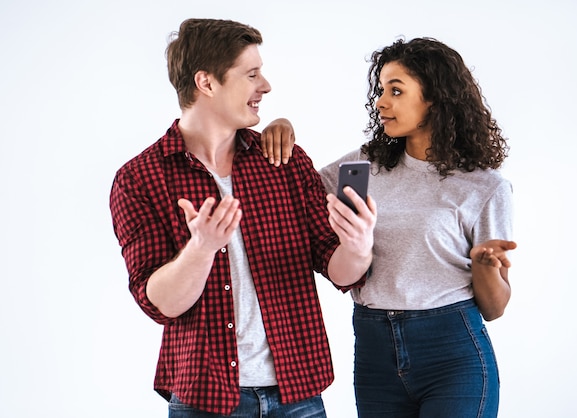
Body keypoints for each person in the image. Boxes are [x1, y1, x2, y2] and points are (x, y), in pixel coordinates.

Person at [109, 18, 376, 417]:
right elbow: (158, 302)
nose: (265, 86)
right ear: (207, 83)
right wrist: (200, 251)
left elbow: (341, 271)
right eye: (251, 74)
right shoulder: (139, 179)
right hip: (206, 398)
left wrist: (358, 245)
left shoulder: (283, 161)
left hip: (297, 394)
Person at [263, 37, 517, 417]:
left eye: (396, 91)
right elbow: (289, 191)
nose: (381, 102)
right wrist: (281, 126)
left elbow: (494, 308)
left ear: (435, 98)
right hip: (373, 351)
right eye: (381, 90)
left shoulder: (484, 186)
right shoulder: (363, 167)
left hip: (452, 352)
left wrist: (483, 266)